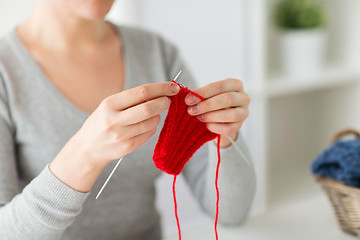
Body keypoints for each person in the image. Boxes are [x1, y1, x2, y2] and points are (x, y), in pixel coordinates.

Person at [0, 0, 256, 239]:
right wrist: (84, 154)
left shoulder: (155, 52)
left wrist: (225, 135)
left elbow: (232, 213)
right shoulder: (6, 72)